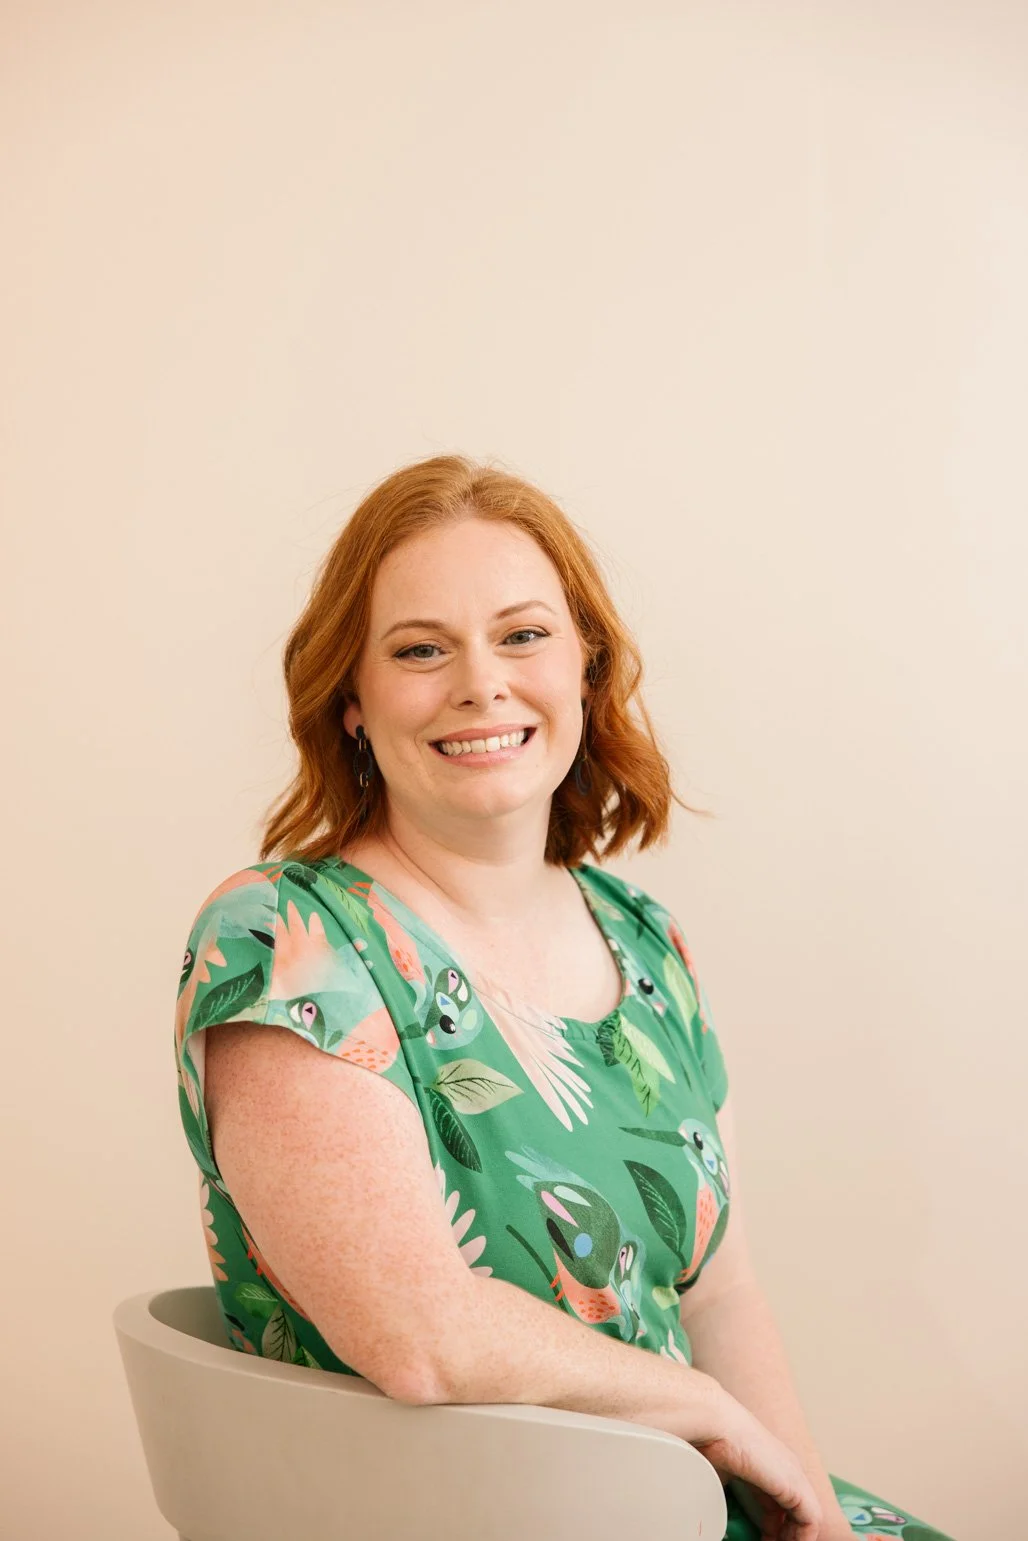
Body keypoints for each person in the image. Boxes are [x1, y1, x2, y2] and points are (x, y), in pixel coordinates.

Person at [174, 454, 954, 1541]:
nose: (480, 683)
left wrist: (806, 1507)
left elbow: (715, 1292)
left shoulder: (643, 940)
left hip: (679, 1507)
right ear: (349, 700)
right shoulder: (285, 942)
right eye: (418, 649)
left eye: (523, 634)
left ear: (585, 665)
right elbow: (422, 1335)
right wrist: (711, 1416)